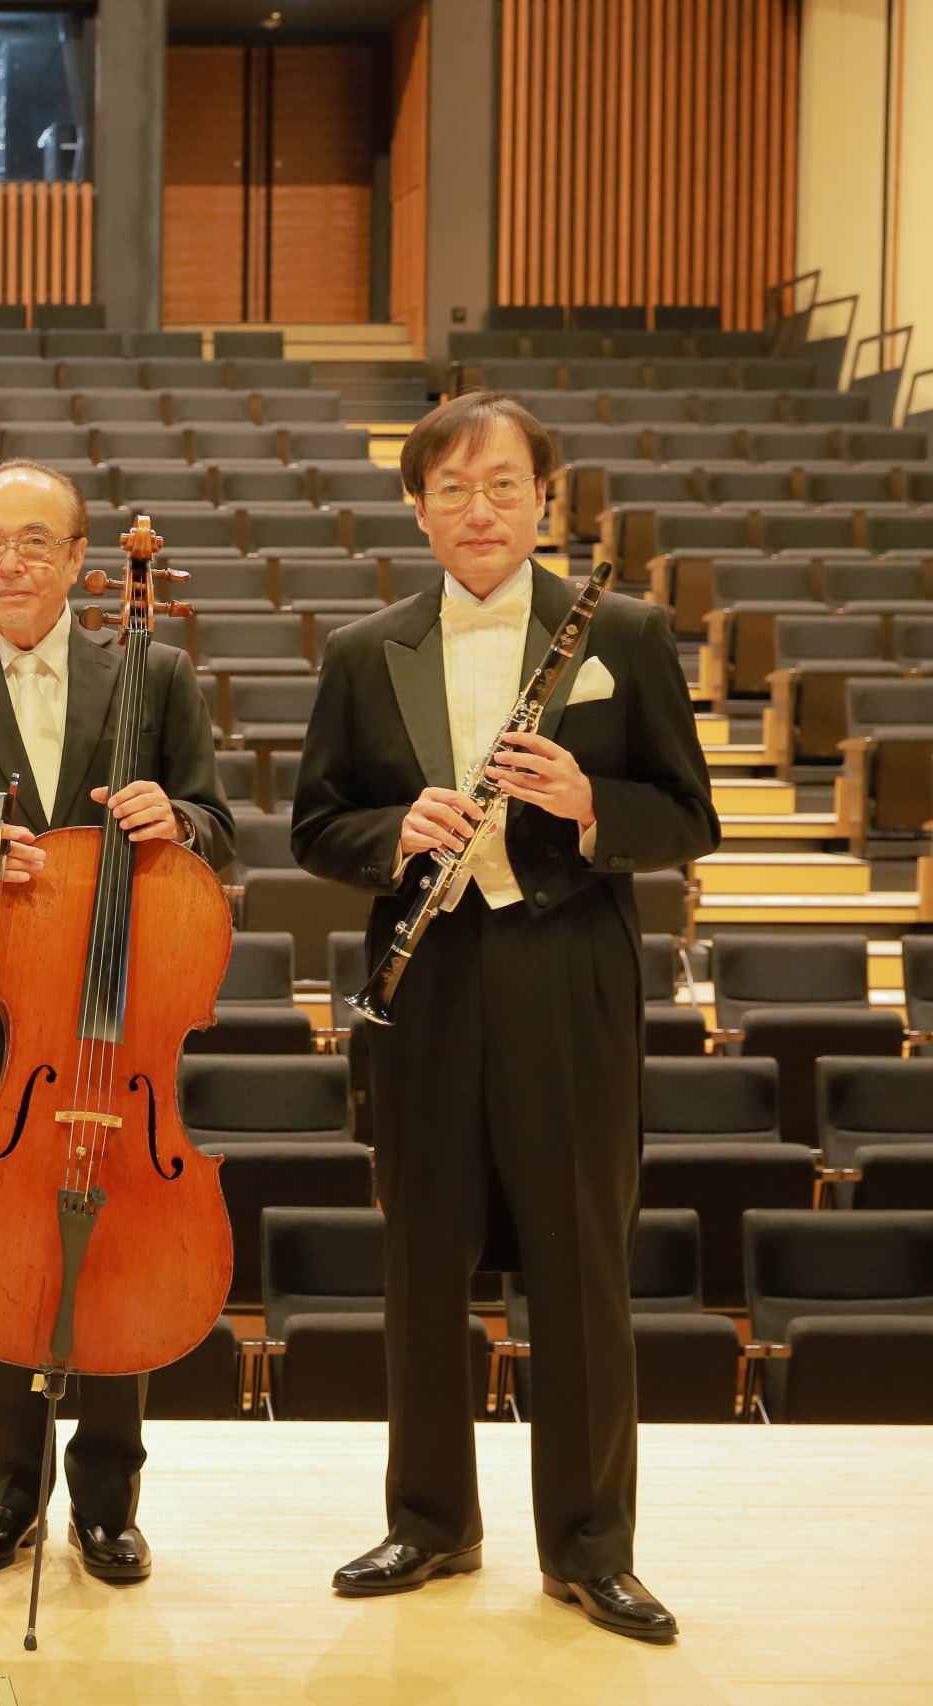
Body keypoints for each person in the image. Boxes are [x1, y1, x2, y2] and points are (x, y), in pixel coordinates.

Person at [291, 391, 717, 1644]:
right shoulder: (363, 651)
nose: (478, 510)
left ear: (542, 499)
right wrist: (394, 831)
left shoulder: (623, 633)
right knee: (421, 1258)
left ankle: (590, 1546)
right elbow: (317, 824)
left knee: (580, 1261)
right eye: (452, 489)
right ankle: (430, 1518)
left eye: (503, 486)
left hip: (566, 968)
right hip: (425, 980)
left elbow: (687, 814)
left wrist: (590, 802)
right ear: (416, 506)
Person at [0, 461, 235, 1585]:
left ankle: (108, 1498)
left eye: (33, 541)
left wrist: (179, 821)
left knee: (117, 1247)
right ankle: (4, 1489)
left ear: (78, 558)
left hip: (123, 1022)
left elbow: (218, 825)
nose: (8, 561)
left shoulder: (156, 674)